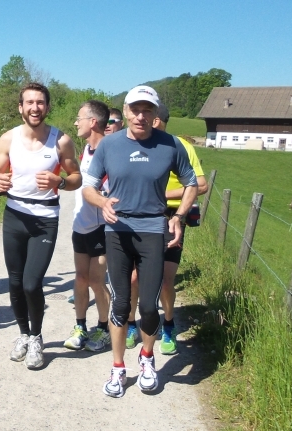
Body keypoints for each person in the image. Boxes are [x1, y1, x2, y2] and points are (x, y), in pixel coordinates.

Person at [82, 85, 197, 397]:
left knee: (148, 305)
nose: (141, 115)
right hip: (117, 230)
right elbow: (89, 187)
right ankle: (118, 368)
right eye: (135, 109)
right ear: (127, 110)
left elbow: (192, 184)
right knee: (121, 303)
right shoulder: (109, 146)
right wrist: (102, 203)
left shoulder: (171, 145)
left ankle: (147, 359)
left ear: (156, 114)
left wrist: (179, 216)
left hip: (153, 230)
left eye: (148, 110)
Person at [0, 82, 82, 369]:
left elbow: (76, 176)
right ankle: (23, 335)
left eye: (40, 103)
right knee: (14, 283)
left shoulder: (61, 141)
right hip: (14, 215)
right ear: (20, 107)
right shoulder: (8, 139)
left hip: (45, 219)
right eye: (29, 103)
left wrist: (60, 182)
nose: (35, 108)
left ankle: (37, 337)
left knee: (31, 283)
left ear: (47, 107)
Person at [124, 102, 208, 354]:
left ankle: (168, 325)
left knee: (166, 280)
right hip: (142, 216)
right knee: (135, 277)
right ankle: (131, 324)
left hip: (171, 217)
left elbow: (201, 185)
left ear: (157, 121)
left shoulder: (180, 146)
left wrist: (165, 193)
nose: (142, 120)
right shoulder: (135, 146)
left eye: (148, 116)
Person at [63, 100, 111, 352]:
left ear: (93, 122)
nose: (75, 122)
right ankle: (80, 326)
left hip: (102, 227)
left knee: (96, 280)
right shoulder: (86, 150)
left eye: (79, 118)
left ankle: (103, 328)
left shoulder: (111, 150)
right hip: (80, 224)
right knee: (80, 279)